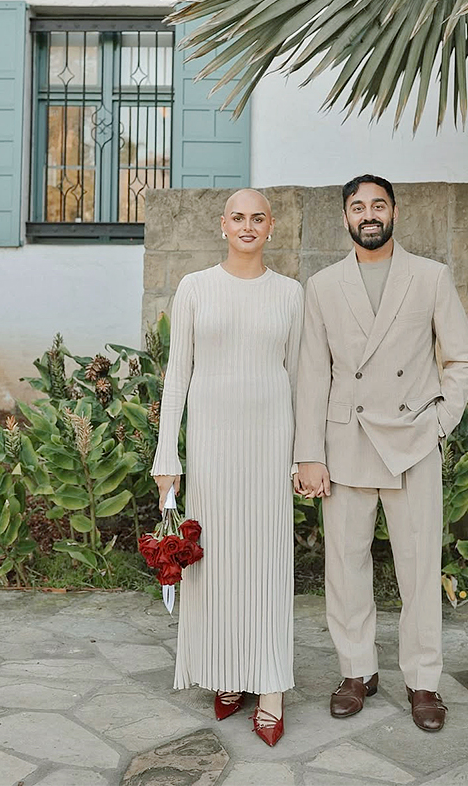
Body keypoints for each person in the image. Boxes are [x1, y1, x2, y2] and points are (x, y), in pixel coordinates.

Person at [293, 175, 468, 732]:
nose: (368, 214)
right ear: (346, 218)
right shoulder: (322, 285)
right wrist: (309, 454)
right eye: (357, 206)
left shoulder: (430, 277)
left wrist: (438, 424)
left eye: (377, 204)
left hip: (412, 443)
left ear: (394, 212)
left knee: (419, 569)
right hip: (344, 442)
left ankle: (423, 682)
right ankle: (357, 671)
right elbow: (311, 375)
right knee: (345, 568)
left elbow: (461, 360)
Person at [152, 189, 303, 747]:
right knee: (215, 565)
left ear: (270, 228)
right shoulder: (195, 288)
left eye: (257, 217)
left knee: (265, 561)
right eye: (237, 217)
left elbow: (300, 378)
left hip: (269, 447)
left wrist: (301, 456)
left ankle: (269, 689)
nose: (247, 225)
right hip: (212, 448)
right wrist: (167, 457)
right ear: (222, 226)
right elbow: (176, 376)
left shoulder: (290, 294)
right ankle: (228, 673)